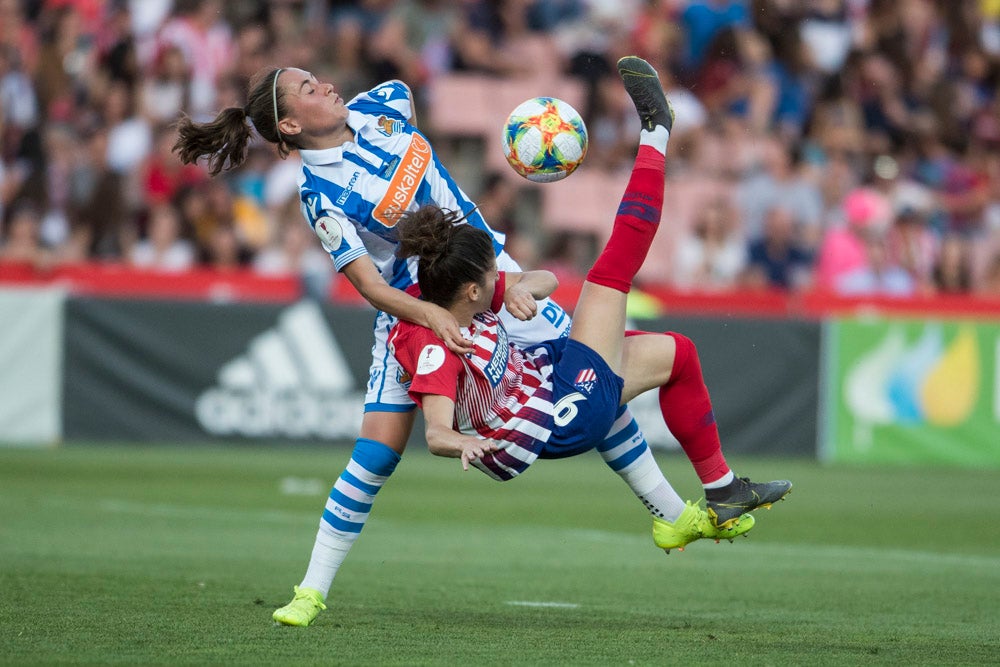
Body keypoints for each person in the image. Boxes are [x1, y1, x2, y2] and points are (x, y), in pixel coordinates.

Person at [172, 56, 787, 628]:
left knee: (595, 373)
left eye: (318, 77)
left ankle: (672, 516)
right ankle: (311, 591)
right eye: (309, 88)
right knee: (377, 455)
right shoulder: (320, 195)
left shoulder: (383, 105)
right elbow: (369, 286)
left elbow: (408, 101)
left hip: (489, 278)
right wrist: (431, 317)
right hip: (416, 312)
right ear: (289, 125)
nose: (326, 85)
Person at [389, 56, 791, 570]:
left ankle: (723, 490)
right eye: (492, 274)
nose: (499, 276)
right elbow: (435, 432)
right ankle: (656, 133)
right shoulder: (431, 341)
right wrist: (462, 443)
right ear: (470, 289)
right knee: (615, 266)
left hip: (545, 378)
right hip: (552, 417)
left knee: (679, 355)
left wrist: (519, 288)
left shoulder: (462, 295)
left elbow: (544, 280)